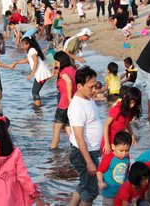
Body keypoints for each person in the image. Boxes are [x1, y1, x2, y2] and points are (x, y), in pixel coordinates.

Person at [68, 66, 102, 205]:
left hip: (90, 150)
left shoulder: (88, 98)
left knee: (85, 184)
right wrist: (89, 162)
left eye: (95, 86)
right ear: (80, 86)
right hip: (82, 152)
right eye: (91, 87)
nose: (94, 90)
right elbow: (79, 137)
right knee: (90, 190)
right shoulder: (77, 106)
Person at [12, 37, 53, 106]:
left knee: (35, 92)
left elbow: (36, 61)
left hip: (41, 73)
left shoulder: (31, 50)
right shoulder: (31, 51)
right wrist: (16, 62)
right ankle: (37, 108)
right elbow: (27, 60)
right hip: (41, 73)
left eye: (23, 44)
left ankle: (38, 110)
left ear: (28, 44)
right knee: (35, 91)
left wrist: (31, 74)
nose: (22, 46)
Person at [101, 87, 141, 154]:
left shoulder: (129, 110)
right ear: (125, 98)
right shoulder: (117, 109)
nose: (132, 105)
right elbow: (106, 125)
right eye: (131, 102)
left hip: (119, 141)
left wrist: (132, 135)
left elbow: (127, 123)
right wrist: (107, 143)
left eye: (134, 103)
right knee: (108, 161)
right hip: (109, 139)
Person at [96, 131, 132, 205]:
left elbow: (127, 173)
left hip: (122, 193)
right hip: (109, 192)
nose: (124, 153)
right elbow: (99, 171)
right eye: (121, 151)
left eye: (127, 151)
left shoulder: (127, 158)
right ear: (113, 146)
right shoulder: (108, 158)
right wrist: (100, 181)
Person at [50, 51, 76, 149]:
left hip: (64, 104)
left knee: (56, 130)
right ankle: (75, 147)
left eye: (56, 63)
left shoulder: (63, 72)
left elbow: (68, 81)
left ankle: (53, 151)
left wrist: (69, 97)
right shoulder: (73, 70)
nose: (55, 65)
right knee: (68, 128)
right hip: (73, 105)